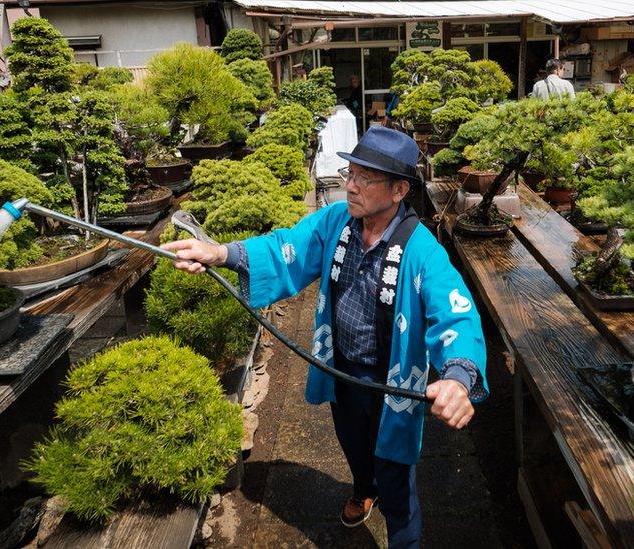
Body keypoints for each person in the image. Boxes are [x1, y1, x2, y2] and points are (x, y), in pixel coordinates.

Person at [161, 126, 489, 548]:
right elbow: (287, 247)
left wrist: (459, 377)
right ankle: (361, 488)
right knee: (352, 442)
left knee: (396, 472)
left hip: (394, 384)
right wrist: (221, 253)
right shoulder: (337, 221)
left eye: (364, 178)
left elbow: (457, 314)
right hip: (343, 368)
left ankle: (401, 534)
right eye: (350, 173)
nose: (349, 185)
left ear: (398, 190)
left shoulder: (423, 251)